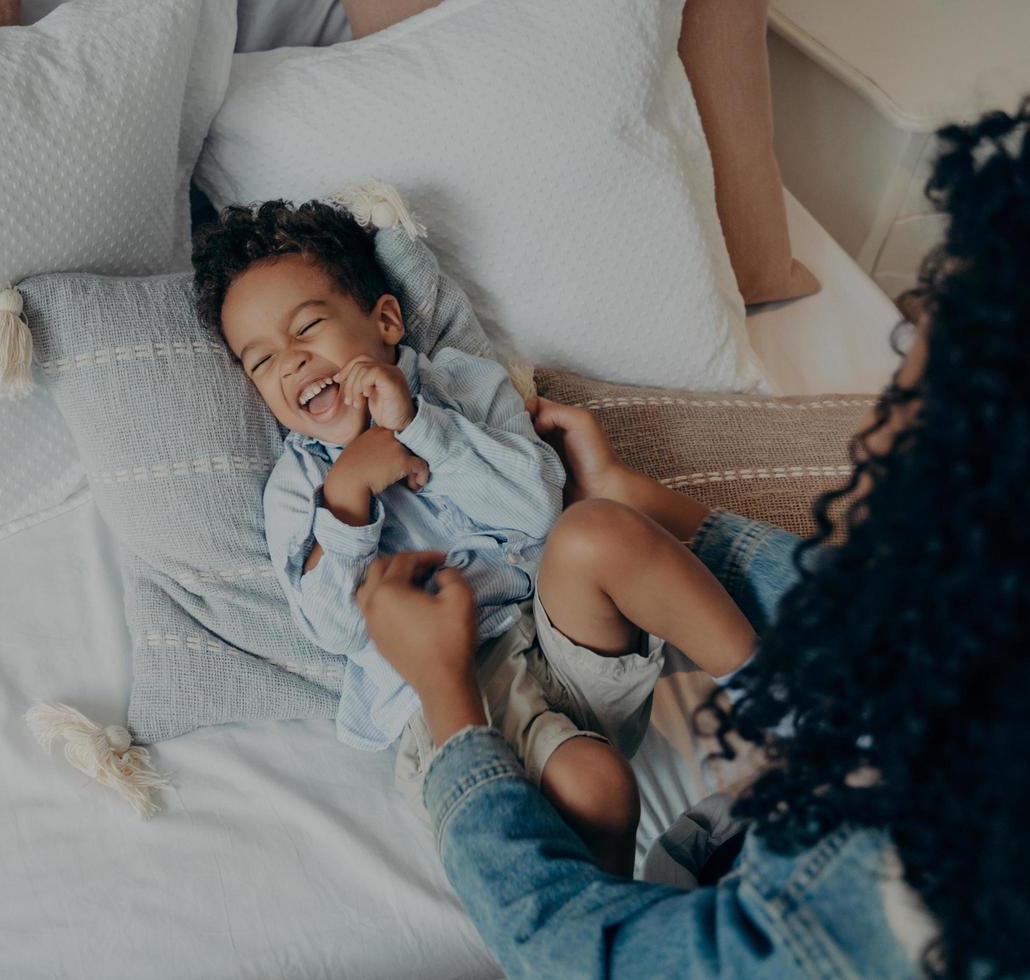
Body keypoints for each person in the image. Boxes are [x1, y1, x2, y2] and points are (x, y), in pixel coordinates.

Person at [353, 101, 1030, 978]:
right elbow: (891, 616)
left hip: (712, 897)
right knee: (604, 537)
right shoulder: (978, 640)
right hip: (747, 820)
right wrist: (648, 503)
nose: (877, 426)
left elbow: (587, 954)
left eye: (908, 404)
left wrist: (448, 700)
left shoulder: (895, 890)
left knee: (596, 782)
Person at [191, 200, 758, 875]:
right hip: (459, 699)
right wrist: (347, 497)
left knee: (598, 528)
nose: (291, 362)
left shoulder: (462, 386)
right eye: (260, 361)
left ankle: (778, 703)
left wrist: (420, 427)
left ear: (385, 321)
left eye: (308, 326)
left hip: (567, 639)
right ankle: (613, 902)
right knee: (596, 784)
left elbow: (536, 513)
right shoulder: (298, 490)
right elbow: (336, 629)